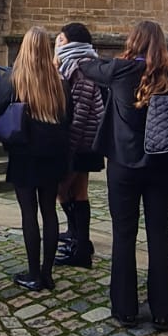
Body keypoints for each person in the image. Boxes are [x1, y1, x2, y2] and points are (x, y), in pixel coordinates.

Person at [82, 20, 168, 330]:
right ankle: (164, 310)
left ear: (133, 42)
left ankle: (124, 308)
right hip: (163, 166)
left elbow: (87, 67)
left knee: (124, 234)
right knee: (159, 236)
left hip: (123, 166)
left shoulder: (119, 71)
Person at [0, 26, 71, 293]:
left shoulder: (14, 79)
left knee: (28, 213)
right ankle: (47, 273)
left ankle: (34, 273)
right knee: (49, 211)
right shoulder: (60, 82)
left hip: (25, 153)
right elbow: (68, 118)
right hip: (54, 153)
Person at [52, 24, 104, 269]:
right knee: (77, 191)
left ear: (71, 43)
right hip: (85, 141)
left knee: (64, 188)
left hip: (80, 141)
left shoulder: (80, 67)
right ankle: (78, 238)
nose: (57, 43)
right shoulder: (77, 64)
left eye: (60, 39)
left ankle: (81, 246)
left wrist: (69, 148)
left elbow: (81, 111)